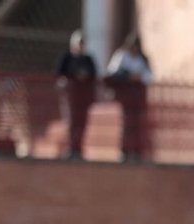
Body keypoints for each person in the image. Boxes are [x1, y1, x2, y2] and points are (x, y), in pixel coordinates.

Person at [104, 31, 152, 162]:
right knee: (126, 123)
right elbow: (111, 73)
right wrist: (128, 76)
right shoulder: (121, 56)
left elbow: (149, 77)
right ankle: (125, 151)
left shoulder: (143, 59)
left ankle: (138, 151)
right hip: (125, 96)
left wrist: (139, 77)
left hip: (138, 97)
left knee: (138, 124)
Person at [54, 31, 98, 160]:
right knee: (71, 122)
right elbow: (59, 74)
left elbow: (94, 75)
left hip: (84, 96)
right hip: (70, 96)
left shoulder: (88, 59)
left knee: (82, 122)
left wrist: (85, 76)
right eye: (79, 43)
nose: (81, 46)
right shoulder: (66, 57)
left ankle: (79, 148)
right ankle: (71, 148)